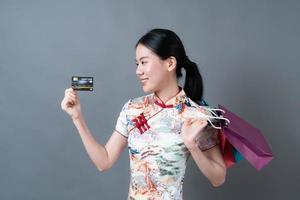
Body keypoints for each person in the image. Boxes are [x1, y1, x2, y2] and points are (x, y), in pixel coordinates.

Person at [61, 28, 226, 200]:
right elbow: (104, 162)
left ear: (170, 63)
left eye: (144, 62)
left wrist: (192, 146)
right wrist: (77, 117)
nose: (138, 71)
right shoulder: (132, 109)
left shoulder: (196, 116)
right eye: (137, 63)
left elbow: (218, 178)